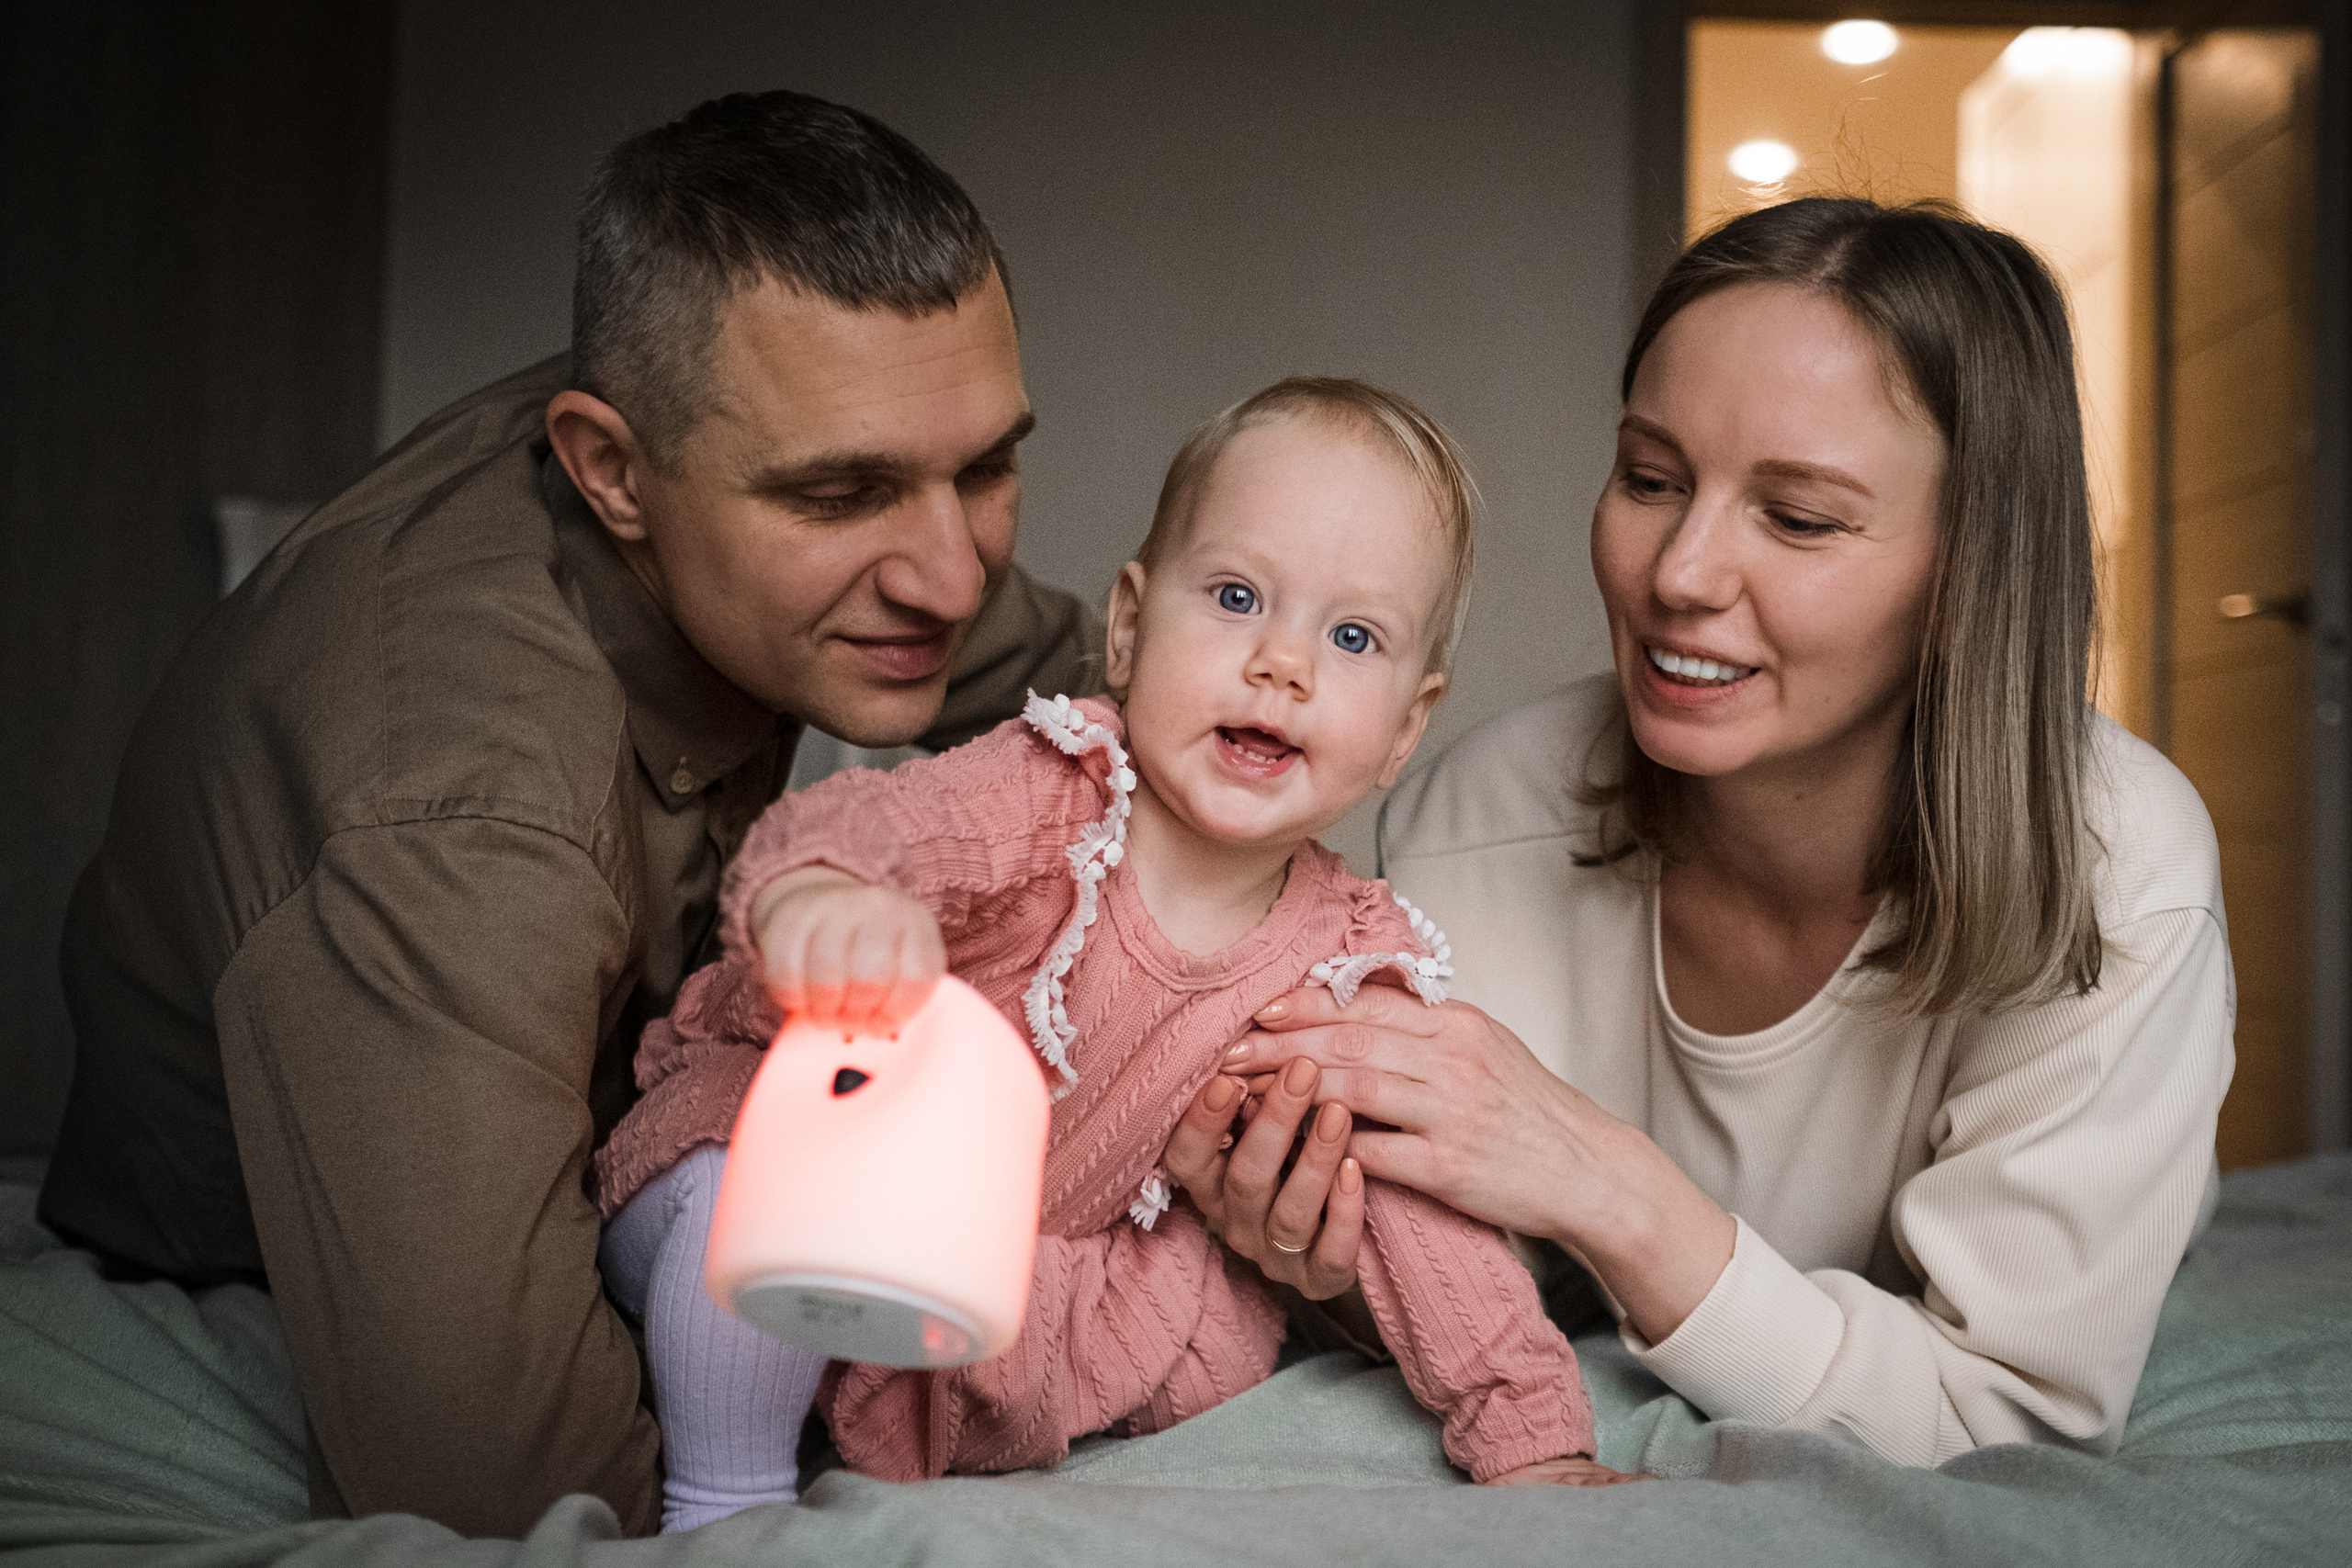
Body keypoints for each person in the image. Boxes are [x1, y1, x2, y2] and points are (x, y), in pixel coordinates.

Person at [37, 91, 1101, 1537]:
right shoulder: (451, 801)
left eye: (984, 466)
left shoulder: (770, 457)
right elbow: (510, 1480)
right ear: (611, 471)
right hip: (251, 1255)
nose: (951, 577)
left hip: (620, 1124)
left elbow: (1104, 700)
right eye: (844, 494)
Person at [1170, 197, 2235, 1467]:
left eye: (1797, 516)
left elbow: (2008, 1412)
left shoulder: (2123, 876)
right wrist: (1318, 1260)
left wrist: (1612, 1185)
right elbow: (1457, 1276)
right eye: (1651, 477)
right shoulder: (1493, 807)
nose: (1678, 570)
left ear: (1971, 570)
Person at [593, 378, 1645, 1530]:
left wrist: (1532, 1436)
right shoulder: (1052, 791)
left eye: (1351, 637)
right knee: (742, 1181)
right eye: (1238, 597)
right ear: (1132, 628)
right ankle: (723, 1504)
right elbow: (880, 829)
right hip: (814, 1180)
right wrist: (822, 901)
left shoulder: (1341, 966)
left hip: (1020, 1296)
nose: (1282, 664)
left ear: (1404, 727)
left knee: (1221, 1319)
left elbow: (1428, 1229)